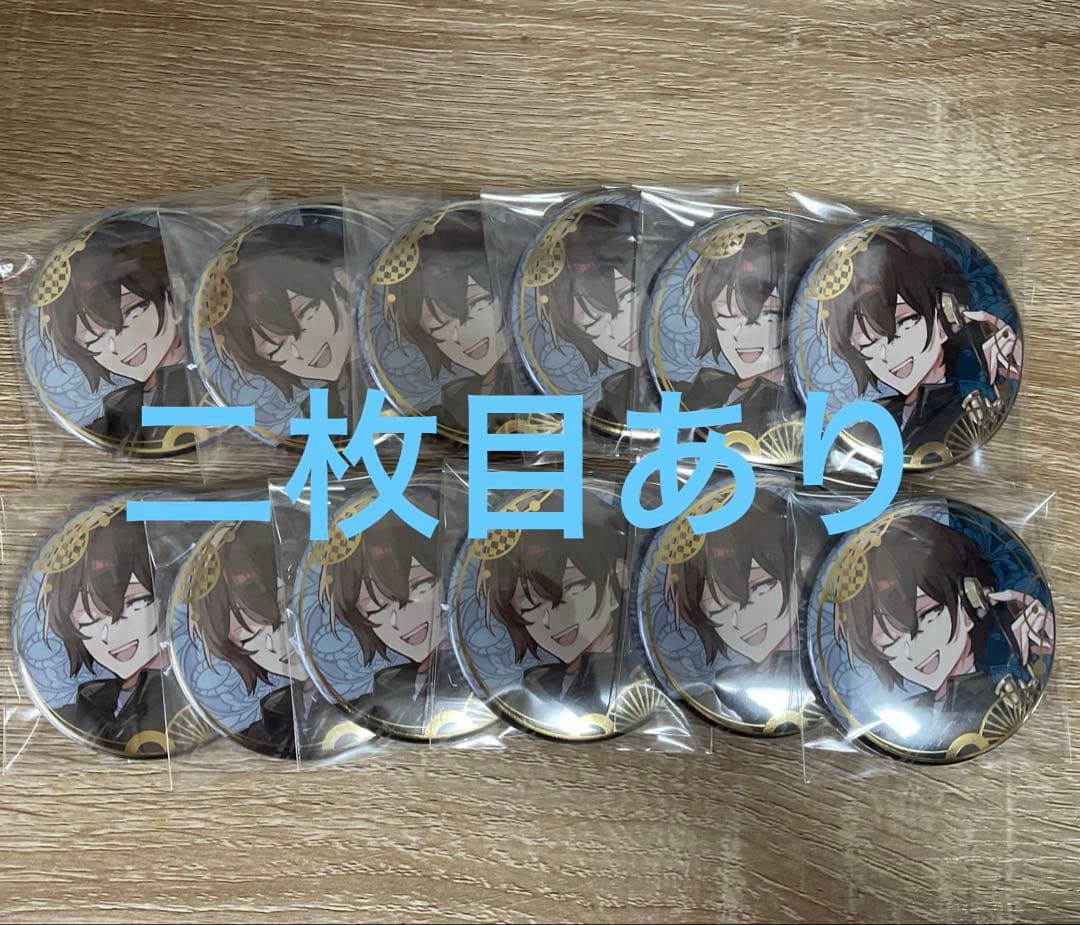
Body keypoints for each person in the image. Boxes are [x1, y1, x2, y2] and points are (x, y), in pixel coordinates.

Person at [835, 514, 1053, 747]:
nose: (913, 652)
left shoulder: (1007, 695)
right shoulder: (893, 720)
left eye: (927, 617)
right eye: (889, 643)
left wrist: (1041, 649)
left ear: (970, 601)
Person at [815, 227, 1021, 451]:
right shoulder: (868, 426)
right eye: (867, 343)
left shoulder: (972, 411)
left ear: (946, 315)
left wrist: (1006, 379)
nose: (886, 354)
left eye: (905, 323)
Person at [187, 521, 357, 758]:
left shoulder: (362, 699)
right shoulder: (262, 727)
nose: (277, 640)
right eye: (250, 637)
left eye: (285, 610)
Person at [665, 485, 825, 730]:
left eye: (759, 589)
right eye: (717, 612)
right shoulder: (727, 683)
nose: (738, 622)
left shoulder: (819, 669)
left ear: (800, 571)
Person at [319, 495, 474, 737]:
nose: (396, 620)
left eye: (420, 588)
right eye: (375, 610)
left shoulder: (469, 680)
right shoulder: (388, 689)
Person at [479, 491, 630, 725]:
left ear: (617, 579)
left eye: (571, 589)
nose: (549, 619)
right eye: (529, 607)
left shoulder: (634, 680)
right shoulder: (534, 687)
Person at [39, 505, 178, 754]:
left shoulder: (188, 697)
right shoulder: (84, 707)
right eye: (87, 621)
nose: (108, 635)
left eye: (134, 603)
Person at [41, 220, 190, 448]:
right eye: (94, 340)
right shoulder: (116, 414)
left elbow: (234, 416)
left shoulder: (216, 389)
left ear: (174, 291)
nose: (118, 346)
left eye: (133, 313)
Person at [383, 208, 517, 437]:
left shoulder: (542, 391)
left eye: (476, 304)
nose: (458, 334)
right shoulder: (449, 406)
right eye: (437, 327)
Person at [667, 219, 803, 437]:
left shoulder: (795, 409)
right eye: (726, 316)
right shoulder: (702, 391)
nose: (740, 334)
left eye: (768, 315)